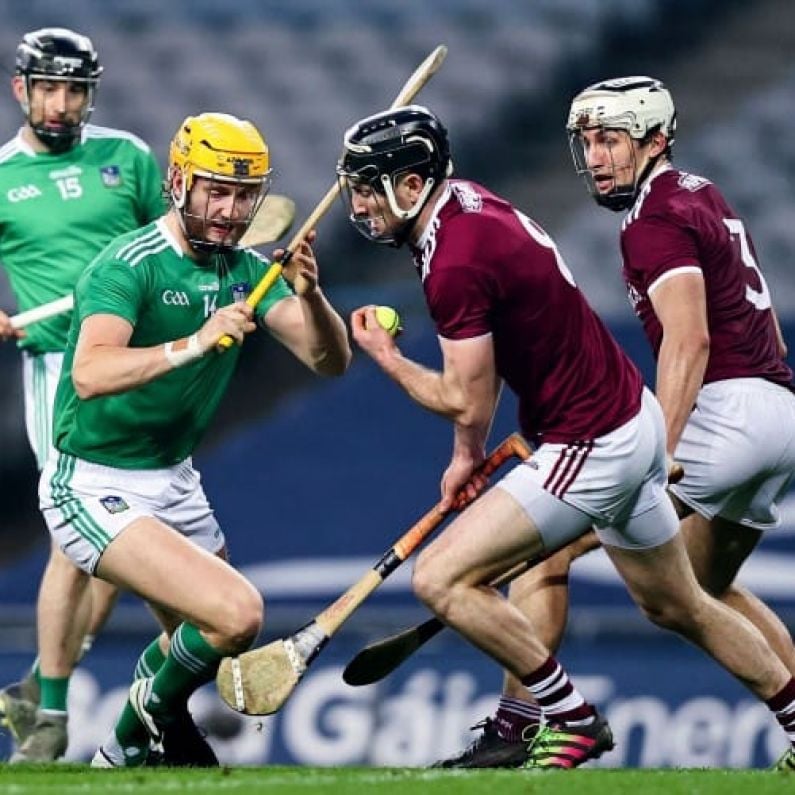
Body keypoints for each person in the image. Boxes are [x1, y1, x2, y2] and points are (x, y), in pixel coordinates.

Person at [338, 104, 795, 770]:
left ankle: (565, 717)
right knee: (682, 602)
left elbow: (459, 392)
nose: (357, 203)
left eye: (365, 185)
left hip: (590, 440)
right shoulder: (466, 206)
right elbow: (483, 375)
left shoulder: (453, 258)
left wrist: (381, 353)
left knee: (439, 578)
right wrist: (466, 456)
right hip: (629, 421)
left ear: (410, 186)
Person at [37, 110, 351, 768]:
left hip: (172, 478)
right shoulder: (127, 266)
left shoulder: (244, 271)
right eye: (216, 190)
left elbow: (330, 360)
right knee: (237, 613)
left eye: (243, 196)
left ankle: (155, 724)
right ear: (178, 181)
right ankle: (127, 742)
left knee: (206, 638)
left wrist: (312, 296)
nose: (230, 210)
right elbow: (91, 373)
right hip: (93, 482)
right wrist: (193, 343)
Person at [0, 27, 164, 763]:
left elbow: (168, 242)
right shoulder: (2, 174)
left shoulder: (126, 156)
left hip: (136, 363)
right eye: (49, 89)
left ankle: (39, 681)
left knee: (122, 539)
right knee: (81, 527)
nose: (63, 105)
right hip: (57, 370)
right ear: (20, 90)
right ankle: (52, 713)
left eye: (76, 90)